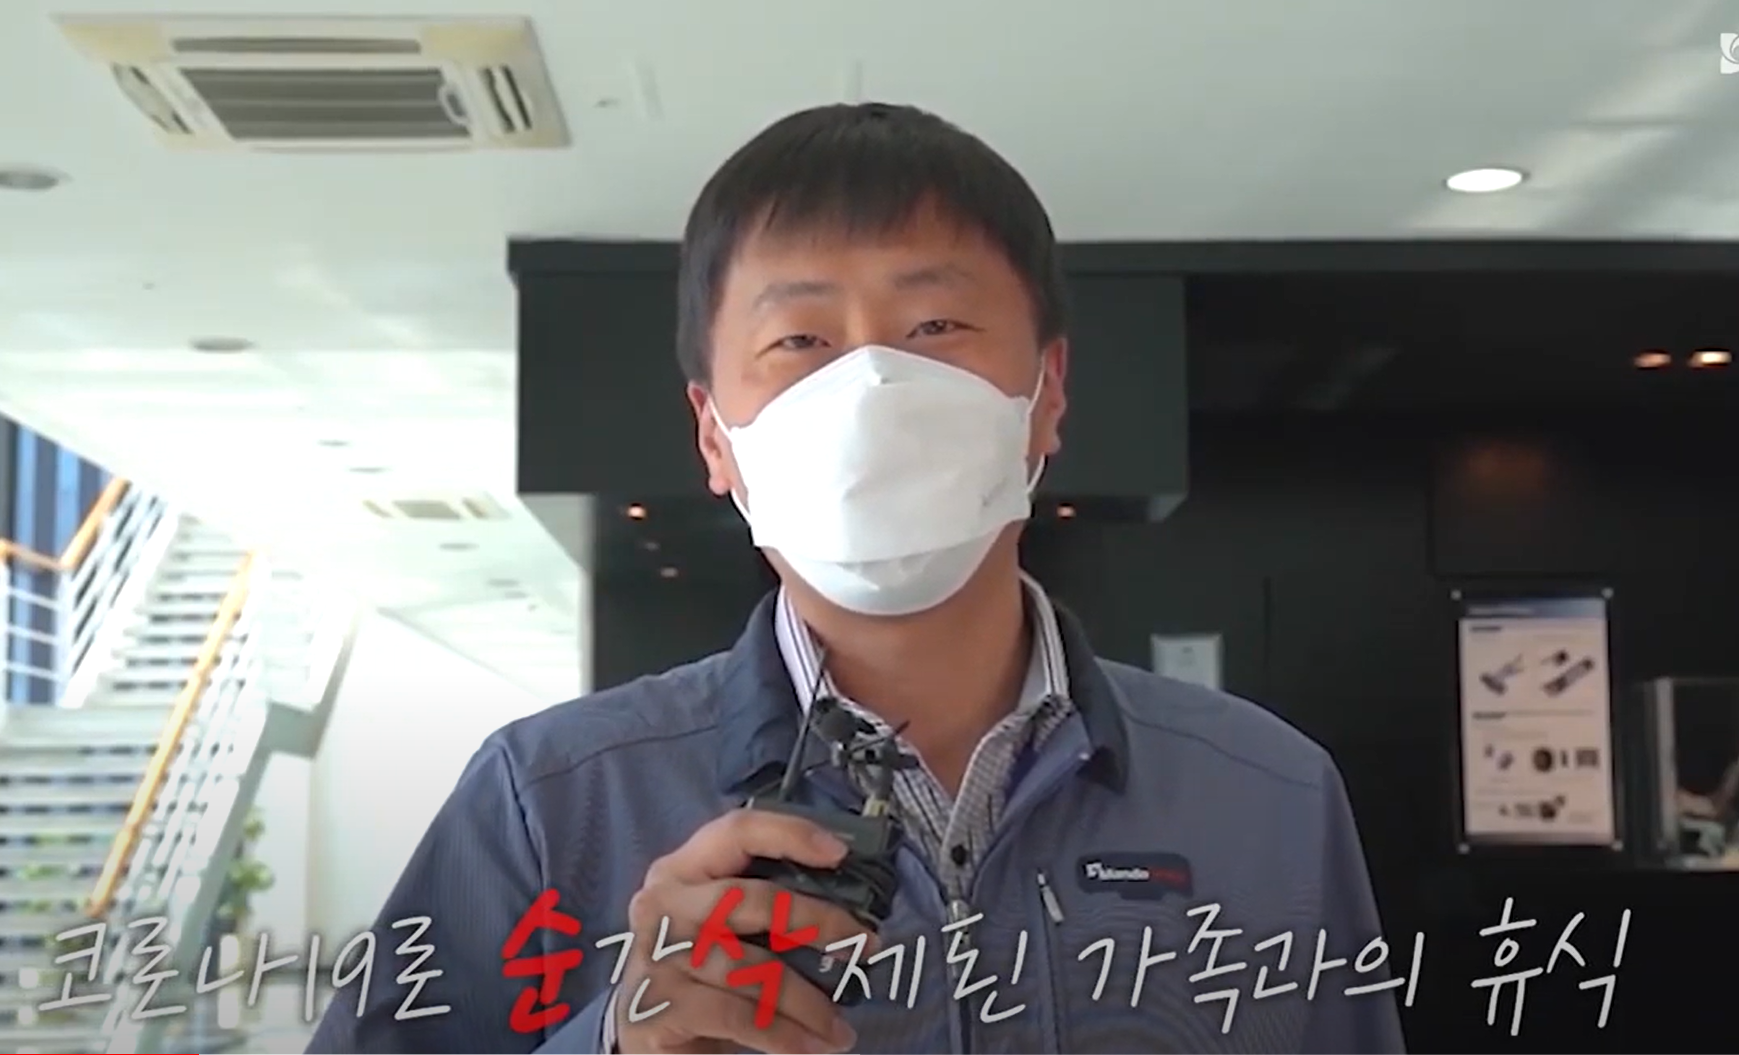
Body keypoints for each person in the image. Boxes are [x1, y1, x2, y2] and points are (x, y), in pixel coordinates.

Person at [307, 103, 1404, 1055]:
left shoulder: (1266, 795)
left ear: (1047, 393)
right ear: (715, 434)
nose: (873, 387)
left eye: (936, 325)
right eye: (798, 341)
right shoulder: (552, 802)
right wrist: (612, 1038)